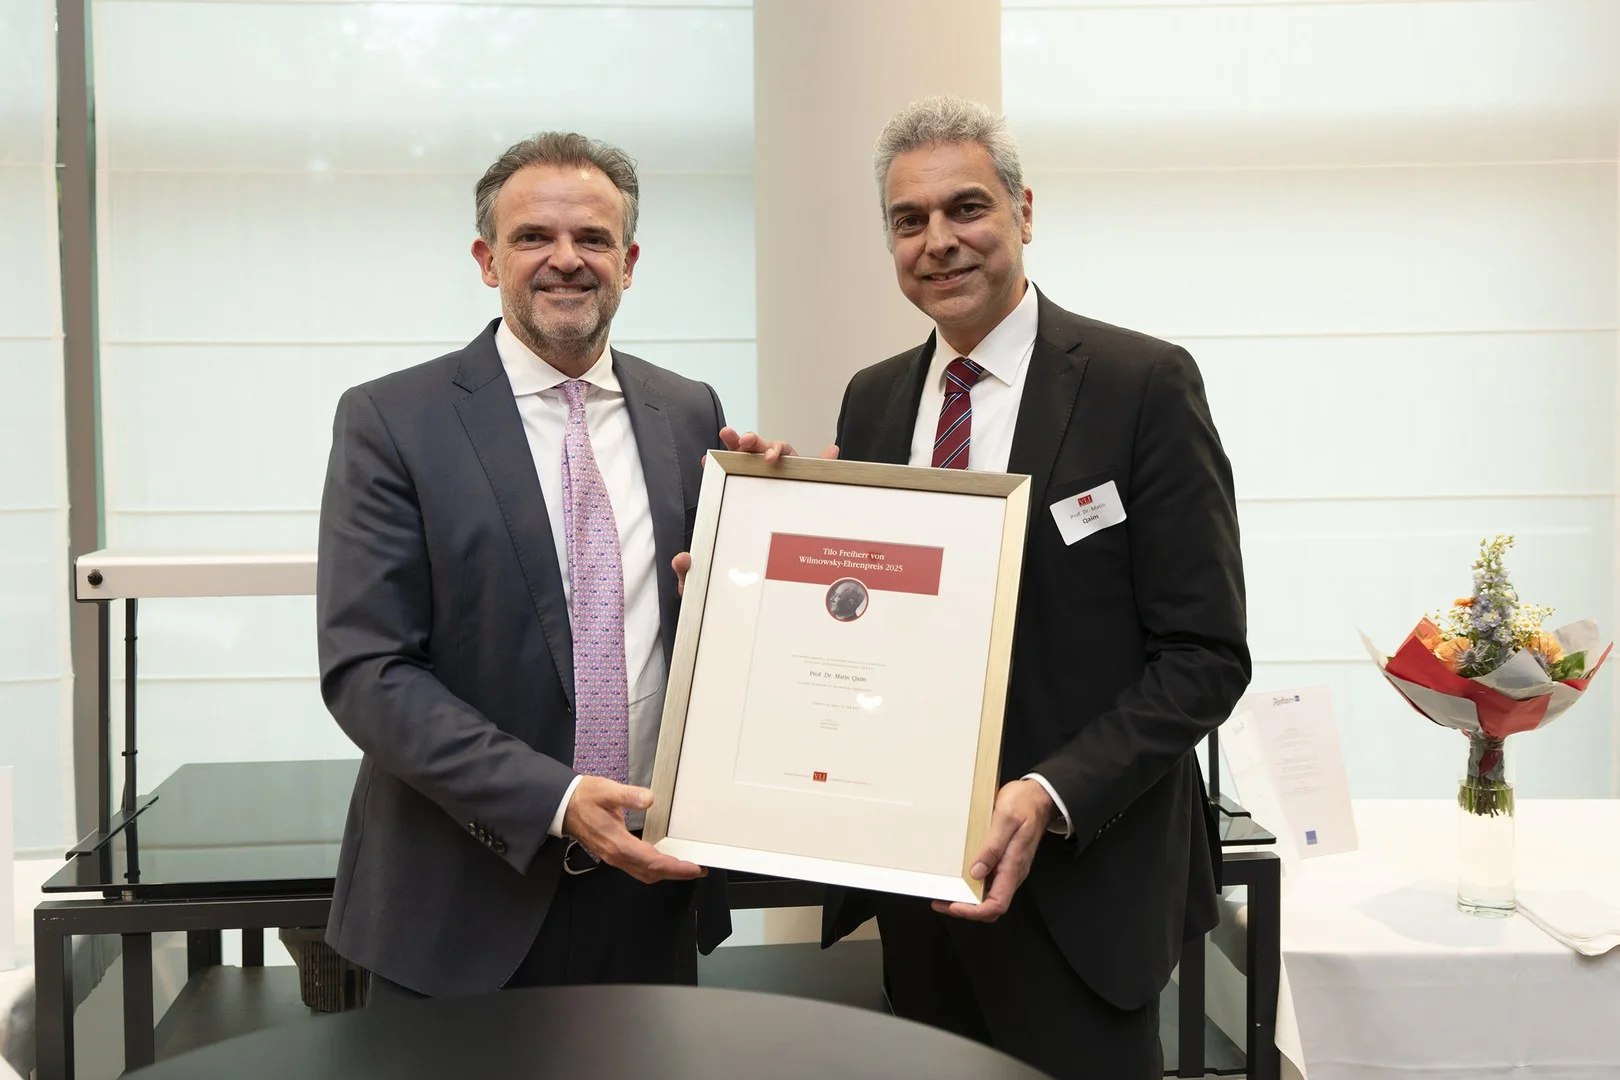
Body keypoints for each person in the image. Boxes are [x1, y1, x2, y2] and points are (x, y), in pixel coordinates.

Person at [727, 94, 1251, 1078]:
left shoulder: (1142, 384)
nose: (939, 241)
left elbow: (1205, 656)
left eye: (965, 208)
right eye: (908, 220)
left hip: (1084, 888)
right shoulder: (874, 398)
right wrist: (747, 570)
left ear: (1023, 212)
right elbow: (866, 616)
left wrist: (1050, 793)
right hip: (917, 884)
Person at [315, 131, 737, 1003]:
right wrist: (556, 797)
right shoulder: (392, 421)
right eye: (534, 237)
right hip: (460, 906)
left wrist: (779, 529)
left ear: (629, 262)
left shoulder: (690, 412)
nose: (566, 259)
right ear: (487, 259)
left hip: (647, 890)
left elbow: (712, 622)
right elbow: (369, 671)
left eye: (593, 238)